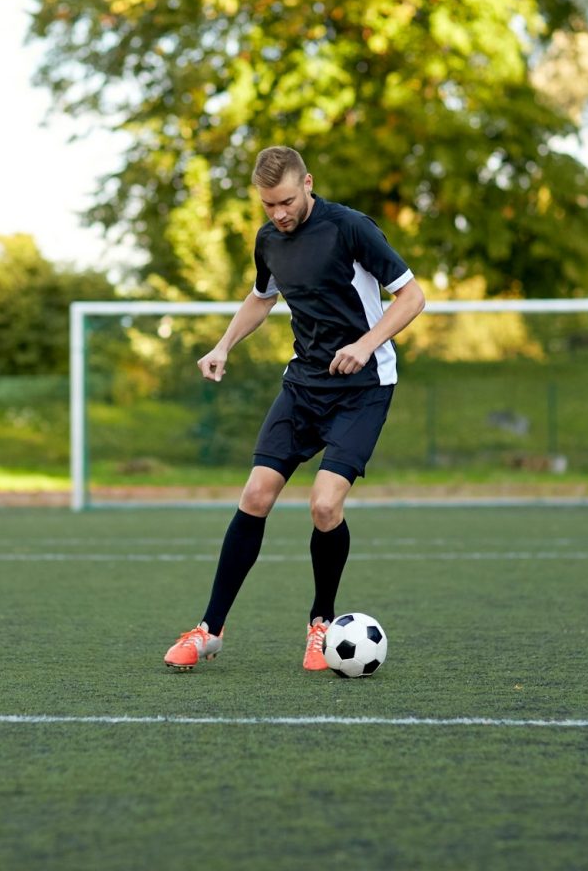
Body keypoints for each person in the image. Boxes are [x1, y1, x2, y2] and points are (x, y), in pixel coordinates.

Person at [163, 145, 425, 671]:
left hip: (364, 385)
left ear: (308, 183)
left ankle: (322, 625)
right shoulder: (268, 241)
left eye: (285, 201)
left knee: (325, 505)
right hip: (304, 383)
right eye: (267, 205)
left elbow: (412, 297)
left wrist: (365, 344)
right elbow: (262, 298)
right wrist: (222, 346)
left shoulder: (351, 228)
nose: (278, 214)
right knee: (257, 492)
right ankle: (209, 630)